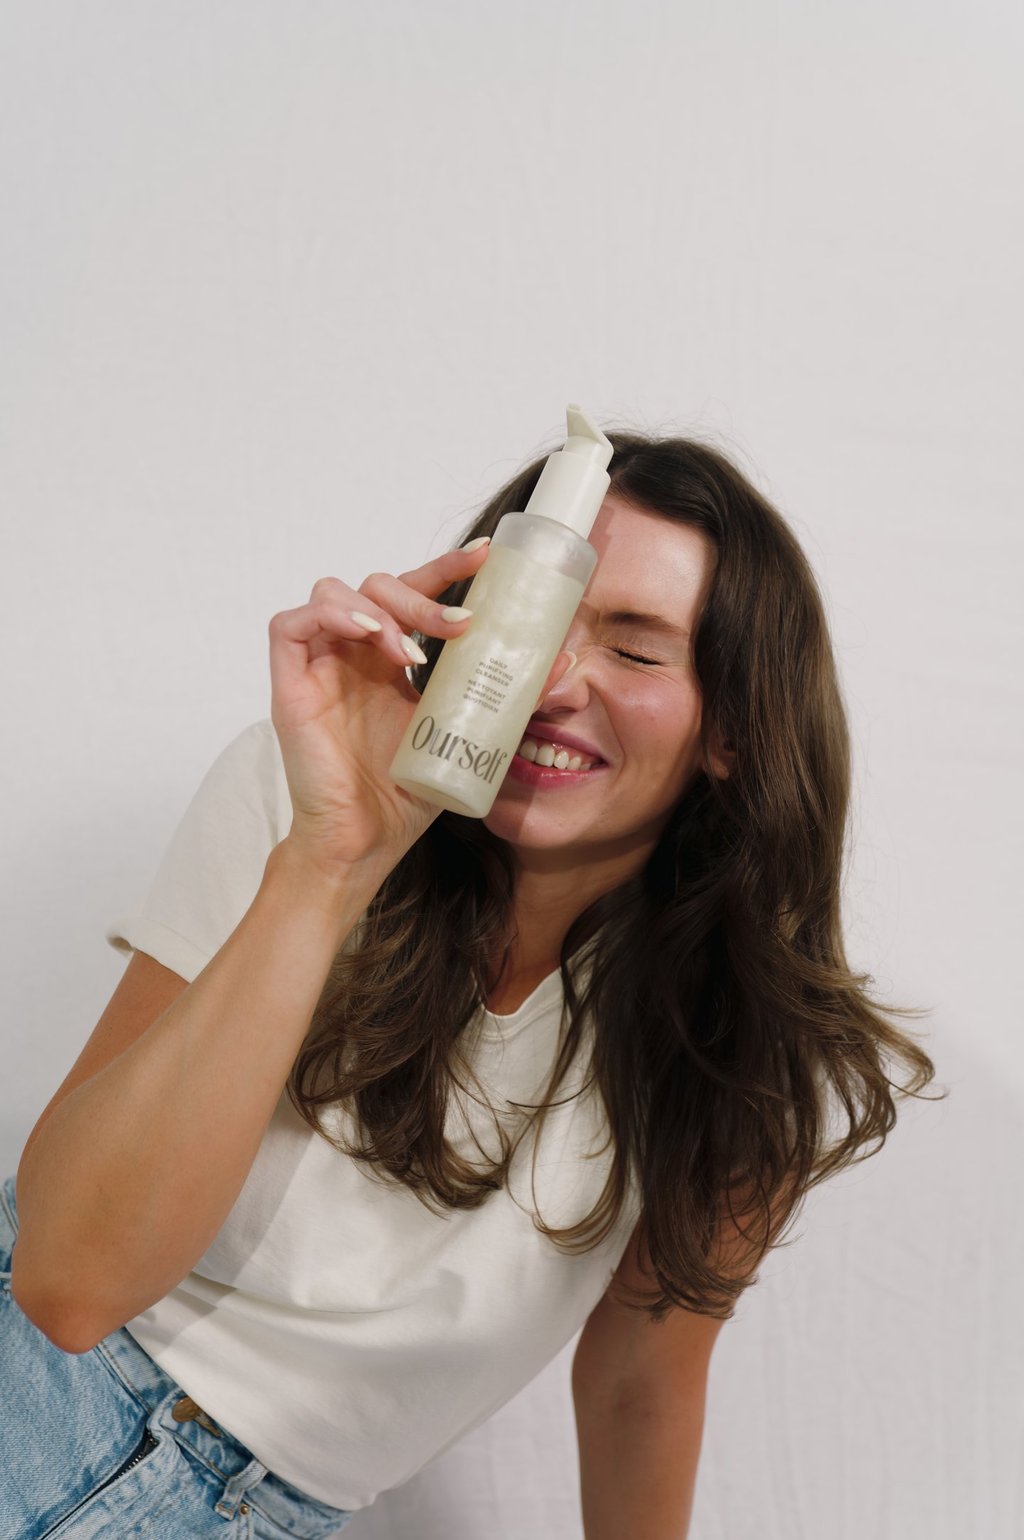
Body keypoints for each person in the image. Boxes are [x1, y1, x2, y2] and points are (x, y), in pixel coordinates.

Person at [1, 429, 940, 1539]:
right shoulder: (300, 799)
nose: (550, 681)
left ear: (731, 728)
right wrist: (330, 863)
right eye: (530, 618)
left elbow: (640, 1383)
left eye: (635, 652)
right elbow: (68, 1284)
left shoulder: (745, 1048)